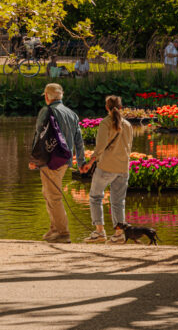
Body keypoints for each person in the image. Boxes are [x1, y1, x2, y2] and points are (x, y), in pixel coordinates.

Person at [28, 83, 84, 243]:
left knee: (53, 195)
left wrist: (34, 159)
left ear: (47, 96)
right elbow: (79, 140)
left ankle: (62, 232)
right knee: (48, 193)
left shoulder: (46, 111)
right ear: (61, 96)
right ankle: (54, 228)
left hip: (49, 159)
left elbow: (39, 136)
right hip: (64, 160)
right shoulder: (71, 113)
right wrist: (81, 161)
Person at [80, 95, 134, 243]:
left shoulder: (105, 123)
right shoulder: (128, 125)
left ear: (106, 108)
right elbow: (129, 147)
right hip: (123, 168)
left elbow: (100, 147)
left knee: (95, 197)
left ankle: (99, 232)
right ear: (121, 107)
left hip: (106, 167)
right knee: (118, 201)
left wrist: (90, 162)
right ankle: (119, 235)